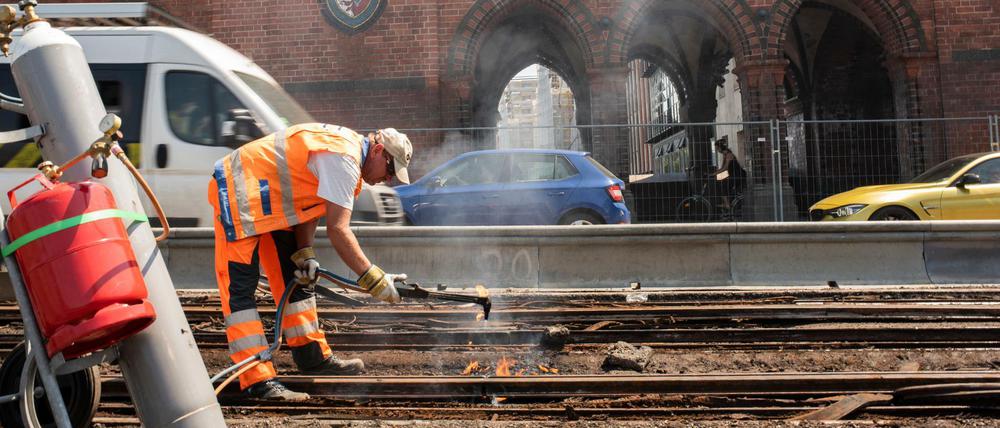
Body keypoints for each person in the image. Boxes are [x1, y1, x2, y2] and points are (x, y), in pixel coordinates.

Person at [208, 123, 413, 401]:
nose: (388, 180)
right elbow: (339, 230)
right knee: (240, 291)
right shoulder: (344, 159)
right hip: (239, 193)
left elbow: (310, 202)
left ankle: (312, 357)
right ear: (378, 151)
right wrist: (372, 277)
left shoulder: (345, 155)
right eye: (390, 171)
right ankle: (257, 380)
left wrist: (304, 251)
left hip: (272, 201)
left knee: (297, 278)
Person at [711, 139, 747, 209]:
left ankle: (727, 204)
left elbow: (725, 168)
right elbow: (722, 168)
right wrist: (715, 174)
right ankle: (727, 200)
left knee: (722, 184)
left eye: (717, 148)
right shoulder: (725, 154)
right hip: (732, 174)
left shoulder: (729, 155)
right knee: (717, 179)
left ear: (721, 147)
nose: (717, 150)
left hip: (737, 175)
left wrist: (714, 173)